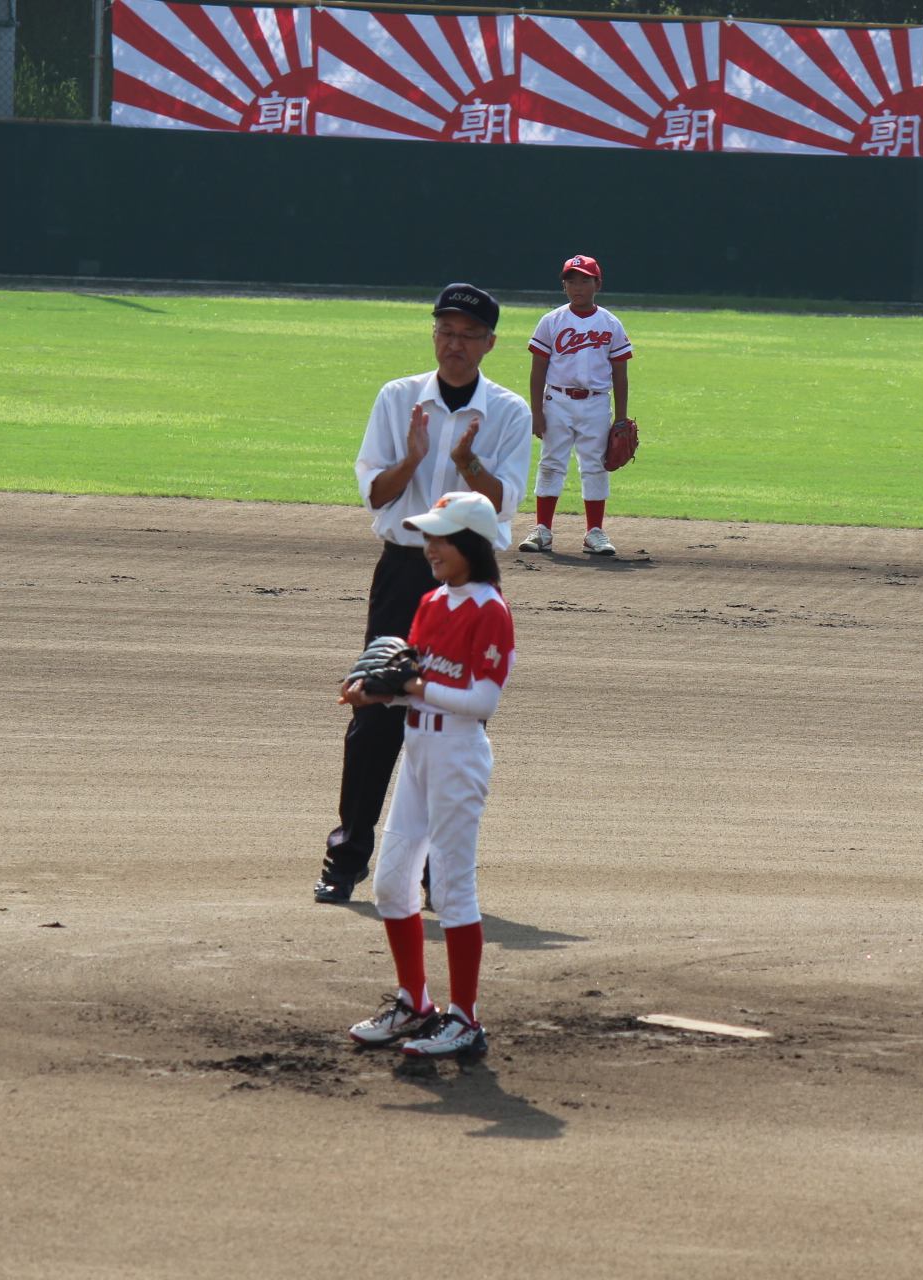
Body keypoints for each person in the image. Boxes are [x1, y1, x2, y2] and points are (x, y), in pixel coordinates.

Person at [313, 284, 531, 906]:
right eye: (445, 331)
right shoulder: (398, 397)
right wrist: (412, 459)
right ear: (434, 335)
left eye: (468, 335)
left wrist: (466, 463)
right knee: (375, 710)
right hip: (404, 570)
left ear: (490, 343)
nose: (454, 344)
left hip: (469, 576)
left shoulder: (509, 411)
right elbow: (375, 494)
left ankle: (439, 872)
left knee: (454, 722)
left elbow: (503, 504)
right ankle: (346, 859)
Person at [343, 491, 516, 1059]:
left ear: (471, 544)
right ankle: (414, 1003)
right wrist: (377, 694)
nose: (430, 548)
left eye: (442, 538)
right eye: (429, 537)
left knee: (452, 888)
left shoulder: (490, 610)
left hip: (458, 756)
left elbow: (482, 700)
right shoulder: (431, 602)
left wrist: (413, 686)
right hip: (418, 749)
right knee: (392, 882)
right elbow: (413, 684)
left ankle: (465, 1020)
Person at [518, 255, 633, 557]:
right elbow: (537, 370)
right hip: (557, 400)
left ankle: (594, 533)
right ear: (564, 286)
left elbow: (620, 374)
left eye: (584, 280)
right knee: (551, 463)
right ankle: (542, 530)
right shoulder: (551, 321)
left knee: (595, 466)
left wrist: (621, 419)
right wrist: (536, 412)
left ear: (598, 285)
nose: (577, 287)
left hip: (596, 403)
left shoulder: (610, 323)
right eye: (571, 281)